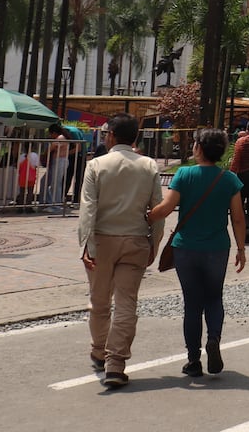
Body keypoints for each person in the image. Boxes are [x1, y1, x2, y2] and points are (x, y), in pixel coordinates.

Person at [148, 128, 247, 377]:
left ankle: (193, 360)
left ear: (199, 148)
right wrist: (242, 249)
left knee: (192, 304)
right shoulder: (229, 179)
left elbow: (166, 208)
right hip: (217, 248)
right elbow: (237, 218)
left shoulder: (184, 174)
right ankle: (213, 338)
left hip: (186, 248)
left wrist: (144, 216)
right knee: (214, 298)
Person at [76, 113, 164, 387]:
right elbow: (157, 211)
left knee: (99, 301)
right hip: (136, 240)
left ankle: (99, 350)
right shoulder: (149, 166)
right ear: (135, 137)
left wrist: (86, 244)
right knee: (127, 303)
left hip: (102, 240)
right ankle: (116, 363)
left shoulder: (96, 165)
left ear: (112, 135)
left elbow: (88, 208)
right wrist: (155, 243)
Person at [45, 123, 71, 212]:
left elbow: (51, 148)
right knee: (55, 183)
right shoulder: (62, 137)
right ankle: (54, 203)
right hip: (59, 161)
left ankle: (55, 205)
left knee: (56, 184)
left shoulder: (60, 138)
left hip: (60, 161)